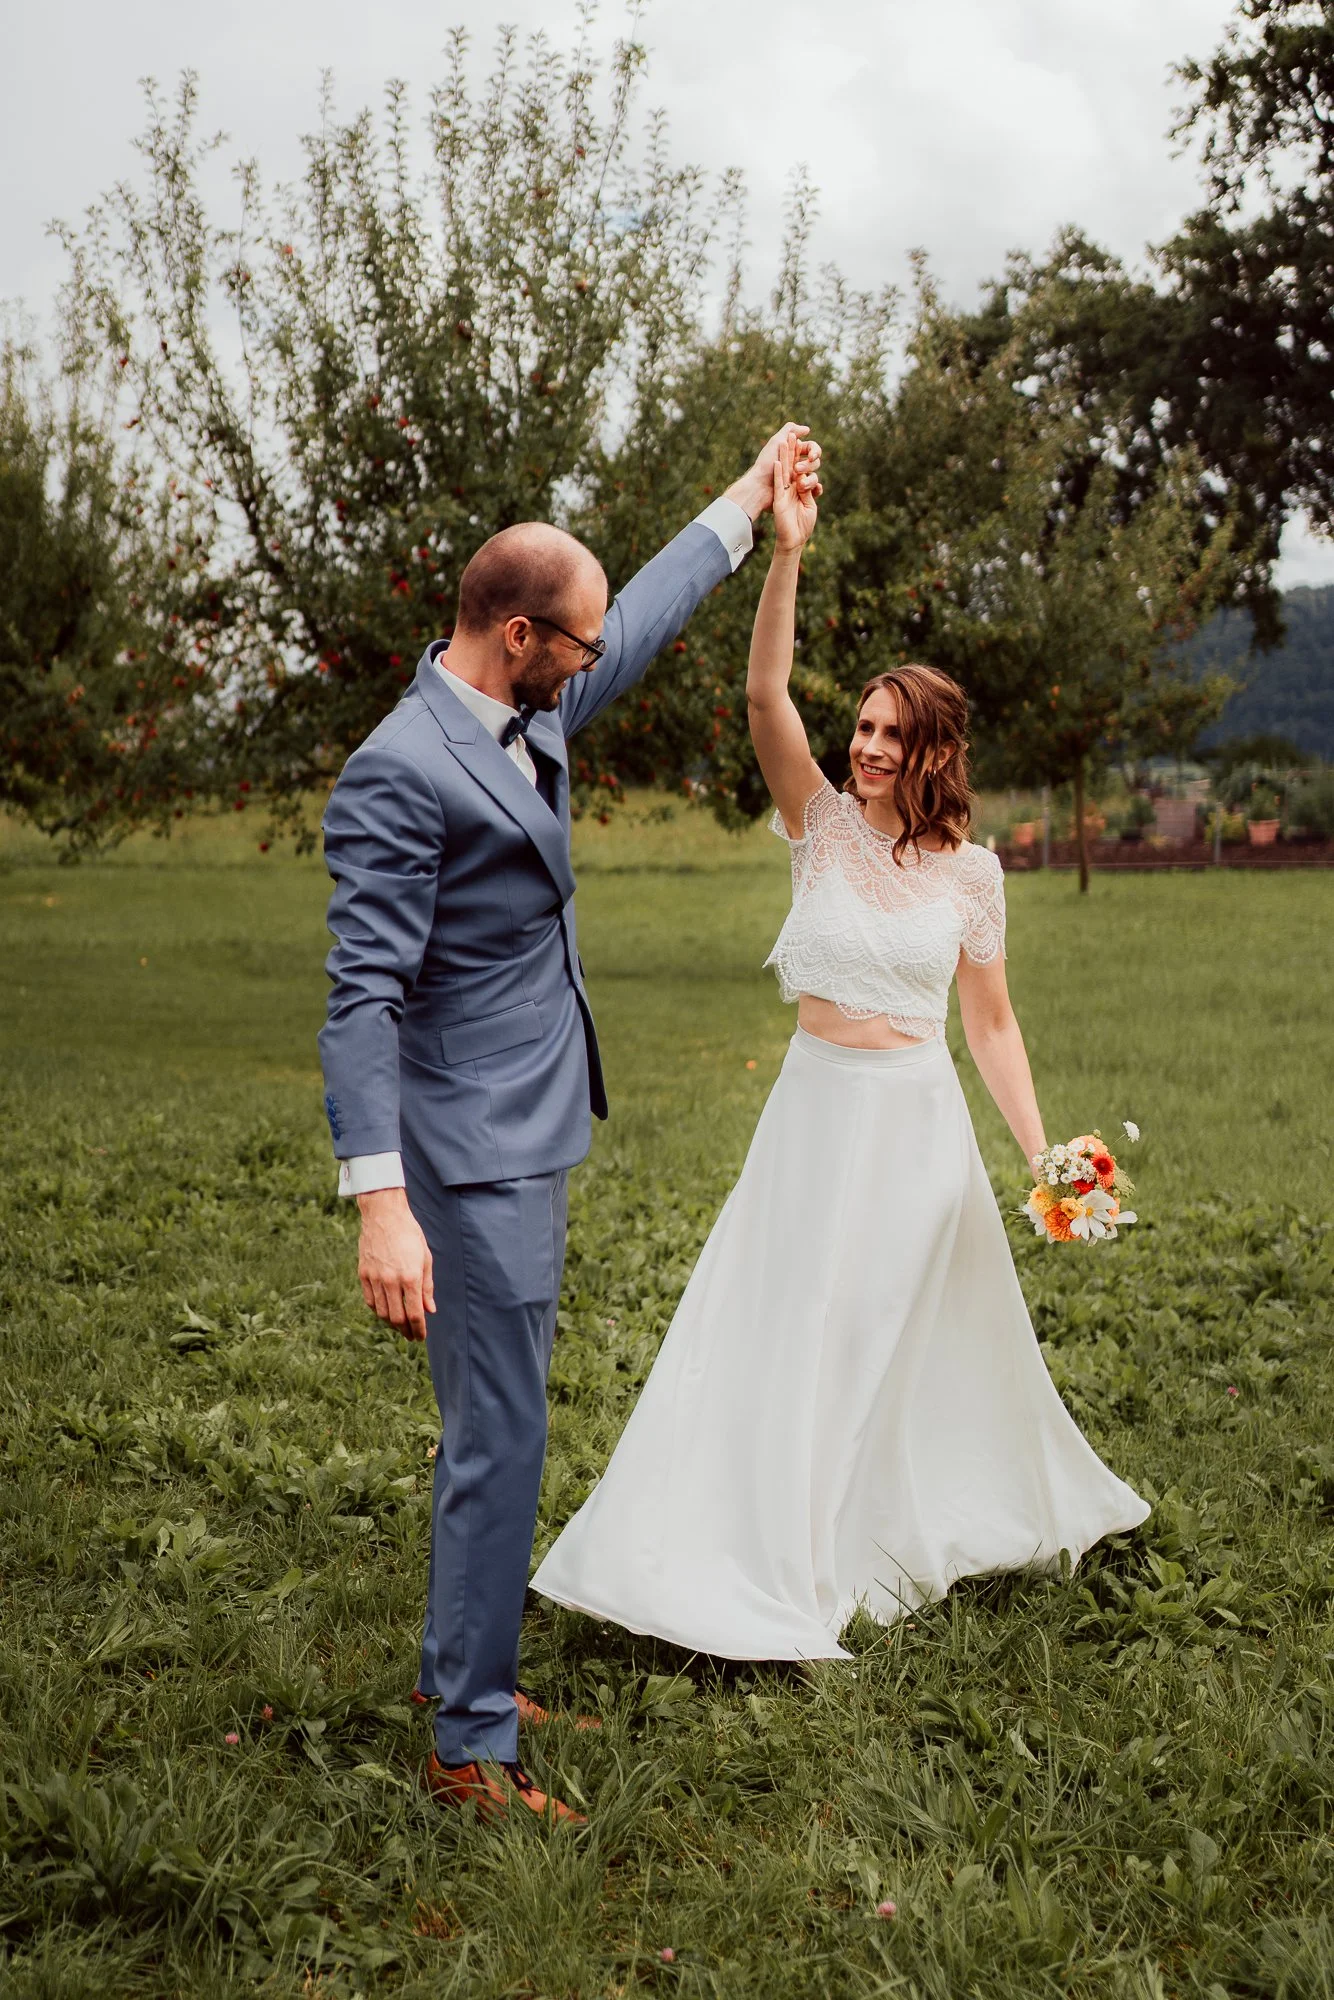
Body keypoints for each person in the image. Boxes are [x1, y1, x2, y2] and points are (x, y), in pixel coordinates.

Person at [532, 432, 1149, 1661]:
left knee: (881, 1339)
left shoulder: (973, 875)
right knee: (786, 1329)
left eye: (886, 734)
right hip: (815, 1116)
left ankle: (860, 1537)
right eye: (859, 725)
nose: (863, 746)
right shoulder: (815, 824)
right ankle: (773, 1561)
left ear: (933, 752)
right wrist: (784, 556)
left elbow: (989, 1022)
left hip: (915, 1130)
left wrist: (1046, 1156)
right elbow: (765, 696)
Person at [317, 425, 822, 1824]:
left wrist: (750, 494)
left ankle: (455, 1671)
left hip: (529, 1126)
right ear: (520, 633)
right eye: (577, 646)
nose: (597, 661)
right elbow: (359, 1000)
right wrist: (381, 1201)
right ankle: (468, 1747)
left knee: (499, 1421)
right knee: (504, 1436)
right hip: (463, 1157)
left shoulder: (530, 707)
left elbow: (645, 610)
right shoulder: (400, 771)